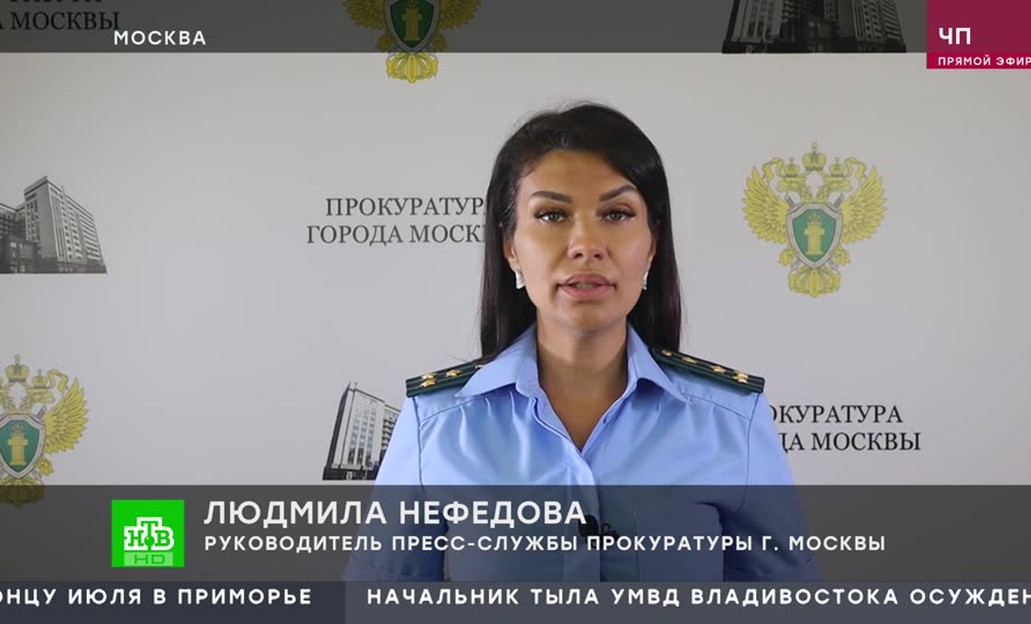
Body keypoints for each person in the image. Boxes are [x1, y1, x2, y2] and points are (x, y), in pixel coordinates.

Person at [343, 102, 817, 582]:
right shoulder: (437, 424)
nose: (586, 244)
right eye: (552, 215)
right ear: (510, 246)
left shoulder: (730, 421)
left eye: (616, 213)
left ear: (652, 243)